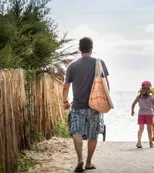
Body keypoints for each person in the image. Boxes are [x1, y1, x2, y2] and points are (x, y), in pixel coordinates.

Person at [63, 37, 109, 172]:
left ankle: (80, 160)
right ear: (91, 48)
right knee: (93, 134)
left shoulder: (72, 66)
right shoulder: (99, 64)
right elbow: (106, 85)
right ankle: (88, 162)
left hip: (77, 105)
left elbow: (66, 87)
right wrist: (106, 103)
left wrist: (65, 102)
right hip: (95, 106)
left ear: (79, 49)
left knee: (76, 132)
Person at [131, 81, 154, 148]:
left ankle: (139, 142)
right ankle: (150, 143)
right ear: (149, 89)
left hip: (141, 114)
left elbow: (133, 104)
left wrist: (132, 111)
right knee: (149, 130)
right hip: (149, 114)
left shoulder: (139, 96)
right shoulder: (151, 97)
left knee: (140, 129)